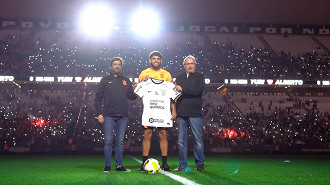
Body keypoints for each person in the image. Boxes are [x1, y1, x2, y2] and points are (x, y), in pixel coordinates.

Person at [95, 57, 137, 173]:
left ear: (121, 66)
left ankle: (119, 166)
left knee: (119, 141)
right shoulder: (104, 80)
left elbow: (132, 97)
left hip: (122, 116)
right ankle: (107, 166)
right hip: (108, 115)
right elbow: (98, 98)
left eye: (119, 64)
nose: (117, 66)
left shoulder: (126, 81)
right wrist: (99, 113)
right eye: (115, 64)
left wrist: (137, 89)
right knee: (108, 141)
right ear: (111, 67)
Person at [137, 51, 176, 171]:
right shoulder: (144, 73)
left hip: (163, 111)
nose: (156, 60)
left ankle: (165, 163)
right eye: (153, 58)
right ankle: (144, 163)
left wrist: (173, 110)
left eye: (158, 58)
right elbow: (136, 90)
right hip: (149, 111)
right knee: (147, 135)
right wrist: (142, 81)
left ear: (161, 60)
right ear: (150, 60)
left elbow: (171, 94)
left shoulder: (167, 75)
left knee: (163, 135)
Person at [174, 55, 206, 172]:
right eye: (188, 64)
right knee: (181, 142)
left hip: (195, 113)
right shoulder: (179, 77)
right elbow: (175, 94)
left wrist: (183, 89)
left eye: (192, 63)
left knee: (198, 140)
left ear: (195, 65)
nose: (190, 65)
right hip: (181, 113)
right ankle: (183, 164)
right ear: (184, 65)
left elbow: (197, 90)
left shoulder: (200, 77)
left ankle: (200, 164)